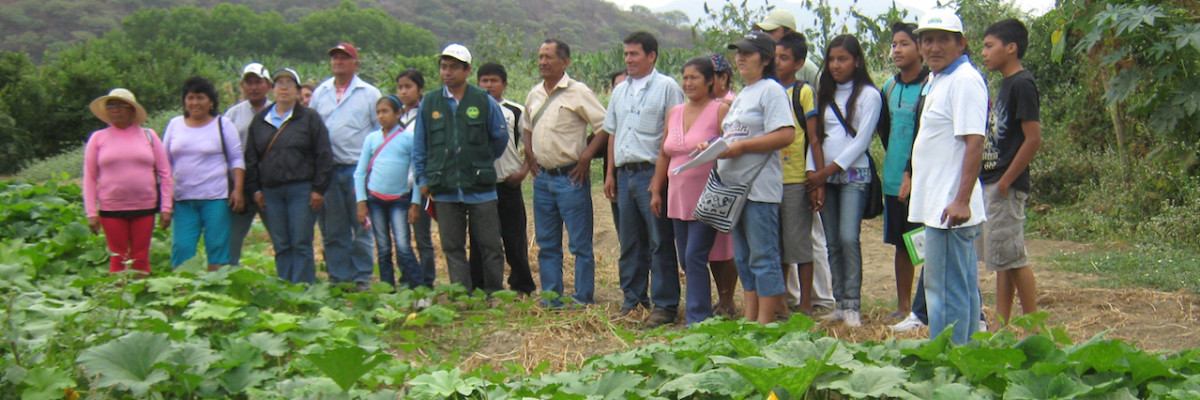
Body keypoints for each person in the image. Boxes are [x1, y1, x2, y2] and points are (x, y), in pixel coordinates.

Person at [906, 9, 988, 344]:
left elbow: (974, 142)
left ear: (961, 43)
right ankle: (964, 356)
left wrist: (960, 199)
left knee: (943, 291)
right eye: (927, 40)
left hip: (950, 208)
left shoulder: (964, 80)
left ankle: (949, 361)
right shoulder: (939, 79)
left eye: (942, 39)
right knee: (959, 287)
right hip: (940, 204)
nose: (933, 47)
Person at [705, 32, 795, 324]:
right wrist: (714, 147)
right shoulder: (744, 93)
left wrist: (741, 147)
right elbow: (734, 134)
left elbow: (785, 134)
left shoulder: (771, 90)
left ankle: (766, 323)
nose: (740, 58)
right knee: (744, 258)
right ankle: (752, 319)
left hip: (758, 188)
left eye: (748, 53)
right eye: (738, 52)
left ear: (766, 59)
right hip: (735, 188)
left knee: (763, 256)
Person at [412, 43, 509, 294]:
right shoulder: (430, 103)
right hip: (443, 186)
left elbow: (499, 139)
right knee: (452, 246)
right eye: (443, 67)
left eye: (454, 67)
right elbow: (420, 145)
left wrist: (480, 160)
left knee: (490, 245)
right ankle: (461, 296)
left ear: (467, 70)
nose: (447, 72)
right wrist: (423, 178)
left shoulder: (484, 101)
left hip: (479, 185)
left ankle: (493, 292)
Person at [604, 31, 684, 327]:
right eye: (626, 54)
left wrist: (660, 181)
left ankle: (665, 306)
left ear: (651, 56)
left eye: (634, 54)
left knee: (660, 240)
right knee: (630, 240)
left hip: (653, 173)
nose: (628, 59)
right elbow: (612, 133)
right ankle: (633, 299)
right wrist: (610, 173)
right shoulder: (620, 90)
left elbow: (672, 134)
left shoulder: (667, 88)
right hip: (625, 174)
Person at [522, 39, 609, 306]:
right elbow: (527, 126)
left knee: (580, 245)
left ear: (565, 62)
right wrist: (529, 153)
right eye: (540, 57)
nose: (543, 62)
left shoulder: (578, 92)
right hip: (543, 179)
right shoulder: (535, 93)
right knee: (547, 244)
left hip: (571, 177)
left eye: (548, 57)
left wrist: (586, 156)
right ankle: (551, 298)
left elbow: (605, 125)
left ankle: (582, 298)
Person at [806, 35, 885, 328]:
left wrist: (825, 173)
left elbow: (862, 140)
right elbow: (816, 137)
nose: (836, 65)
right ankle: (839, 303)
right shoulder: (824, 93)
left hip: (854, 176)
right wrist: (816, 176)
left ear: (857, 61)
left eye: (842, 59)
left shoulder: (869, 95)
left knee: (849, 237)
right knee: (832, 242)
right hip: (825, 176)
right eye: (832, 59)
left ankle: (853, 304)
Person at [649, 56, 730, 326]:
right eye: (685, 77)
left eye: (694, 77)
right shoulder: (675, 112)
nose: (688, 83)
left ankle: (698, 318)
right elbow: (664, 153)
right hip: (677, 197)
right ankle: (700, 311)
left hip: (706, 196)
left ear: (710, 81)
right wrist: (657, 190)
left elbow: (731, 147)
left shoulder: (719, 110)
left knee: (695, 255)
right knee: (686, 258)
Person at [244, 68, 334, 285]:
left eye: (289, 83)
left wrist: (318, 189)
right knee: (281, 243)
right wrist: (255, 189)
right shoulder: (261, 120)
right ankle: (285, 288)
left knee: (301, 241)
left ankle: (303, 290)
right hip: (271, 191)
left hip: (301, 190)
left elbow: (323, 154)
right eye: (279, 83)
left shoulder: (309, 118)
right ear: (272, 89)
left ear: (297, 90)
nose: (283, 88)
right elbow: (251, 157)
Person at [980, 18, 1042, 324]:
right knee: (1002, 259)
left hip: (1006, 183)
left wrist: (1005, 182)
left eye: (989, 46)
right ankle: (1002, 327)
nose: (984, 52)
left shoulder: (1022, 84)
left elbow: (1033, 139)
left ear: (1011, 47)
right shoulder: (1005, 84)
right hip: (993, 181)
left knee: (1015, 257)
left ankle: (1034, 329)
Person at [310, 42, 382, 292]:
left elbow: (379, 131)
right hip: (328, 169)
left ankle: (362, 277)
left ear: (356, 64)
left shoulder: (369, 93)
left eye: (344, 58)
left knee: (361, 225)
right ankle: (338, 277)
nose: (338, 62)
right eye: (335, 58)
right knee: (333, 228)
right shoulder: (321, 92)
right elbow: (313, 130)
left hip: (357, 169)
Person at [83, 88, 173, 277]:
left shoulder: (149, 136)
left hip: (144, 206)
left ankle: (141, 299)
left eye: (120, 105)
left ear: (132, 110)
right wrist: (91, 212)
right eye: (111, 106)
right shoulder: (98, 138)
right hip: (112, 208)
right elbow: (90, 177)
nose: (115, 110)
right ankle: (121, 301)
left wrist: (166, 207)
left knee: (141, 257)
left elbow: (164, 173)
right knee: (118, 257)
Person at [162, 76, 244, 271]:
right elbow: (164, 163)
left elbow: (236, 159)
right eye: (190, 98)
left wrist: (238, 190)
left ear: (211, 101)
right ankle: (183, 293)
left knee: (217, 246)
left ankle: (215, 291)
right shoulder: (175, 125)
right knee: (182, 247)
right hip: (183, 198)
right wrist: (166, 194)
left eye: (200, 97)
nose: (194, 103)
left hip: (216, 197)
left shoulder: (223, 125)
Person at [880, 22, 930, 323]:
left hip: (923, 179)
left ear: (920, 48)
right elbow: (884, 129)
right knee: (901, 243)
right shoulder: (889, 87)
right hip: (893, 178)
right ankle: (903, 305)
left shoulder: (932, 84)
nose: (897, 50)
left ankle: (926, 305)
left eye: (904, 44)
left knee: (924, 242)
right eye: (894, 44)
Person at [473, 62, 537, 295]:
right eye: (484, 81)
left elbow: (532, 145)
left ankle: (522, 285)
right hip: (480, 186)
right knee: (480, 240)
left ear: (504, 84)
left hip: (508, 183)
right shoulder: (471, 109)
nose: (488, 85)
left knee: (515, 238)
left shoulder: (515, 111)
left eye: (494, 81)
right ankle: (481, 287)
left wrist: (522, 172)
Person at [773, 32, 824, 315]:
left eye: (784, 58)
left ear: (799, 62)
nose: (778, 63)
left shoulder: (803, 93)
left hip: (795, 179)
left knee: (800, 245)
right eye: (776, 57)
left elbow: (813, 138)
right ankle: (781, 303)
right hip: (769, 180)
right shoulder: (768, 89)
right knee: (777, 246)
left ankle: (805, 305)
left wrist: (816, 181)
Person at [354, 95, 422, 290]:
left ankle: (418, 289)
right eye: (378, 112)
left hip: (399, 200)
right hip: (375, 200)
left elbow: (417, 173)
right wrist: (361, 202)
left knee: (403, 247)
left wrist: (415, 203)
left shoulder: (408, 138)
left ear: (398, 113)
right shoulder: (372, 139)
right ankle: (387, 292)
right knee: (383, 249)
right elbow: (360, 173)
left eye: (385, 111)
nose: (381, 116)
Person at [224, 62, 273, 266]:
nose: (253, 87)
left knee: (280, 236)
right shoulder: (232, 115)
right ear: (242, 86)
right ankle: (228, 280)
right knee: (231, 238)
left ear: (269, 85)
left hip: (271, 184)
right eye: (249, 83)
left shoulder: (277, 111)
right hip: (239, 185)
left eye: (258, 82)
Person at [704, 53, 741, 318]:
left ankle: (728, 299)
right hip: (711, 180)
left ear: (723, 78)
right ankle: (723, 299)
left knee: (726, 246)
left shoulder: (729, 105)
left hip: (726, 180)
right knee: (716, 245)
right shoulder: (710, 104)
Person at [394, 68, 438, 289]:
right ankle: (407, 278)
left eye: (408, 87)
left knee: (422, 237)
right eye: (400, 87)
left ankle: (427, 280)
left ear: (420, 89)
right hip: (396, 187)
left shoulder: (428, 114)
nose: (403, 91)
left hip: (419, 185)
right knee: (401, 237)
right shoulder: (395, 116)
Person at [754, 9, 820, 85]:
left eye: (771, 31)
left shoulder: (807, 68)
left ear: (789, 33)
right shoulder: (761, 64)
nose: (765, 35)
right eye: (763, 31)